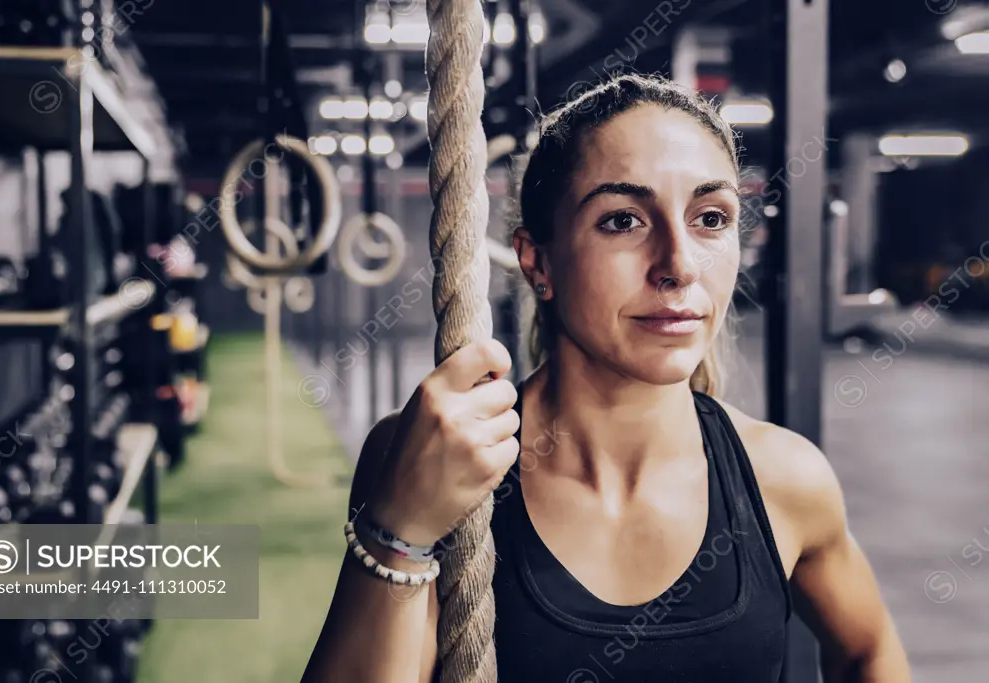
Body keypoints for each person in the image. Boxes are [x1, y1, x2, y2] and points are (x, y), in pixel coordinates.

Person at [301, 73, 911, 683]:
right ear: (537, 261)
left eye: (710, 217)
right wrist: (400, 530)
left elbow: (868, 650)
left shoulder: (786, 478)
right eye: (623, 221)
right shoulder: (431, 459)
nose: (678, 265)